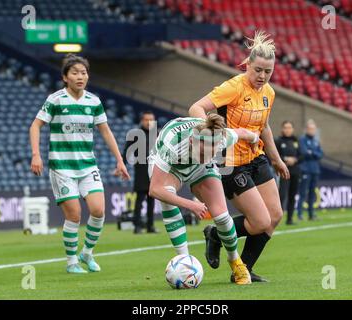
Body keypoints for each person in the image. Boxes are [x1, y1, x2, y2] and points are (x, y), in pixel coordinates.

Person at [189, 30, 289, 283]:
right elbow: (196, 108)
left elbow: (264, 127)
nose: (262, 76)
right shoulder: (233, 87)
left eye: (268, 71)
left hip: (257, 158)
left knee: (275, 216)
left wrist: (276, 158)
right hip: (231, 163)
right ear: (248, 65)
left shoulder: (269, 92)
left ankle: (242, 270)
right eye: (257, 70)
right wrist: (214, 132)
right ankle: (215, 234)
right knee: (259, 221)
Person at [29, 54, 130, 274]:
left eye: (83, 73)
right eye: (75, 73)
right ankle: (71, 261)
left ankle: (87, 253)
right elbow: (35, 126)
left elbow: (105, 131)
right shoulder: (55, 100)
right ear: (65, 77)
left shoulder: (93, 101)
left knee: (98, 210)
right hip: (62, 168)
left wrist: (119, 160)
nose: (80, 76)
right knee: (74, 214)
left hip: (87, 166)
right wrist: (36, 154)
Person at [148, 114, 260, 285]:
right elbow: (154, 190)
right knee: (167, 196)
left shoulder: (221, 138)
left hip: (200, 169)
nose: (206, 156)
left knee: (222, 216)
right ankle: (184, 262)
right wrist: (190, 204)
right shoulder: (172, 143)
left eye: (211, 152)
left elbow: (244, 133)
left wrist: (254, 139)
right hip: (171, 167)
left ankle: (236, 262)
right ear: (193, 142)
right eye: (202, 152)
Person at [123, 111, 158, 234]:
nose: (149, 122)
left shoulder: (156, 134)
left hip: (154, 172)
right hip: (141, 171)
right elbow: (126, 151)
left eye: (151, 120)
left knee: (152, 200)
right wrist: (122, 165)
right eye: (147, 120)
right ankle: (137, 226)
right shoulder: (135, 134)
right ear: (142, 121)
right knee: (139, 200)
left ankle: (150, 226)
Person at [297, 119, 323, 221]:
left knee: (312, 193)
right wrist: (313, 153)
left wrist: (312, 152)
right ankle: (300, 214)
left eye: (313, 129)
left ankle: (311, 214)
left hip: (315, 170)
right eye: (310, 128)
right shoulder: (302, 139)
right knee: (303, 192)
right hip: (305, 169)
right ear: (306, 129)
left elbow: (320, 154)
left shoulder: (316, 141)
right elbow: (304, 152)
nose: (312, 130)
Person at [276, 121, 300, 225]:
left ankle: (289, 219)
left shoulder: (296, 141)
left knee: (292, 195)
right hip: (283, 171)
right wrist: (285, 159)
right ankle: (277, 218)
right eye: (285, 127)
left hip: (295, 171)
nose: (287, 129)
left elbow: (302, 155)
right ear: (282, 129)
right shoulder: (278, 141)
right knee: (282, 195)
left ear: (292, 129)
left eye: (289, 127)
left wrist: (295, 160)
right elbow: (273, 155)